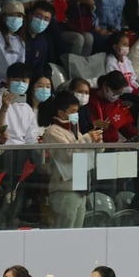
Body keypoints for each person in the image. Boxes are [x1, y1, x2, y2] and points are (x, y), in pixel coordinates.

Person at [43, 91, 101, 228]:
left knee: (77, 232)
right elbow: (67, 154)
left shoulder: (75, 132)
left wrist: (97, 143)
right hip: (64, 189)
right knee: (64, 231)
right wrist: (88, 139)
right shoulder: (53, 132)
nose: (77, 114)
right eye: (73, 111)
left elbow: (88, 155)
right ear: (62, 113)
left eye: (78, 111)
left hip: (81, 189)